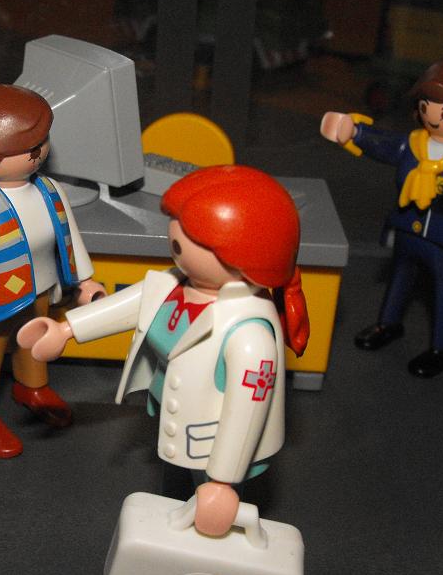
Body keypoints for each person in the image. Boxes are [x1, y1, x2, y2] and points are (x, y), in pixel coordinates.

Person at [18, 165, 309, 535]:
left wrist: (223, 481)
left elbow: (246, 414)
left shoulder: (250, 334)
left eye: (192, 236)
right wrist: (66, 329)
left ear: (243, 254)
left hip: (213, 441)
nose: (174, 238)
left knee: (205, 504)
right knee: (174, 492)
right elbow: (131, 305)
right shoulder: (177, 284)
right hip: (175, 425)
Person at [0, 84, 104, 458]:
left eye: (40, 142)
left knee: (35, 345)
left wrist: (85, 280)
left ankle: (32, 387)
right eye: (25, 146)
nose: (38, 152)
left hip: (40, 291)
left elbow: (69, 236)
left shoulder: (49, 190)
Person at [321, 56, 443, 377]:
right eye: (426, 106)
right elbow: (384, 144)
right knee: (399, 279)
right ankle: (387, 324)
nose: (434, 117)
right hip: (407, 228)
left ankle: (442, 347)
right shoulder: (414, 144)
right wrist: (354, 132)